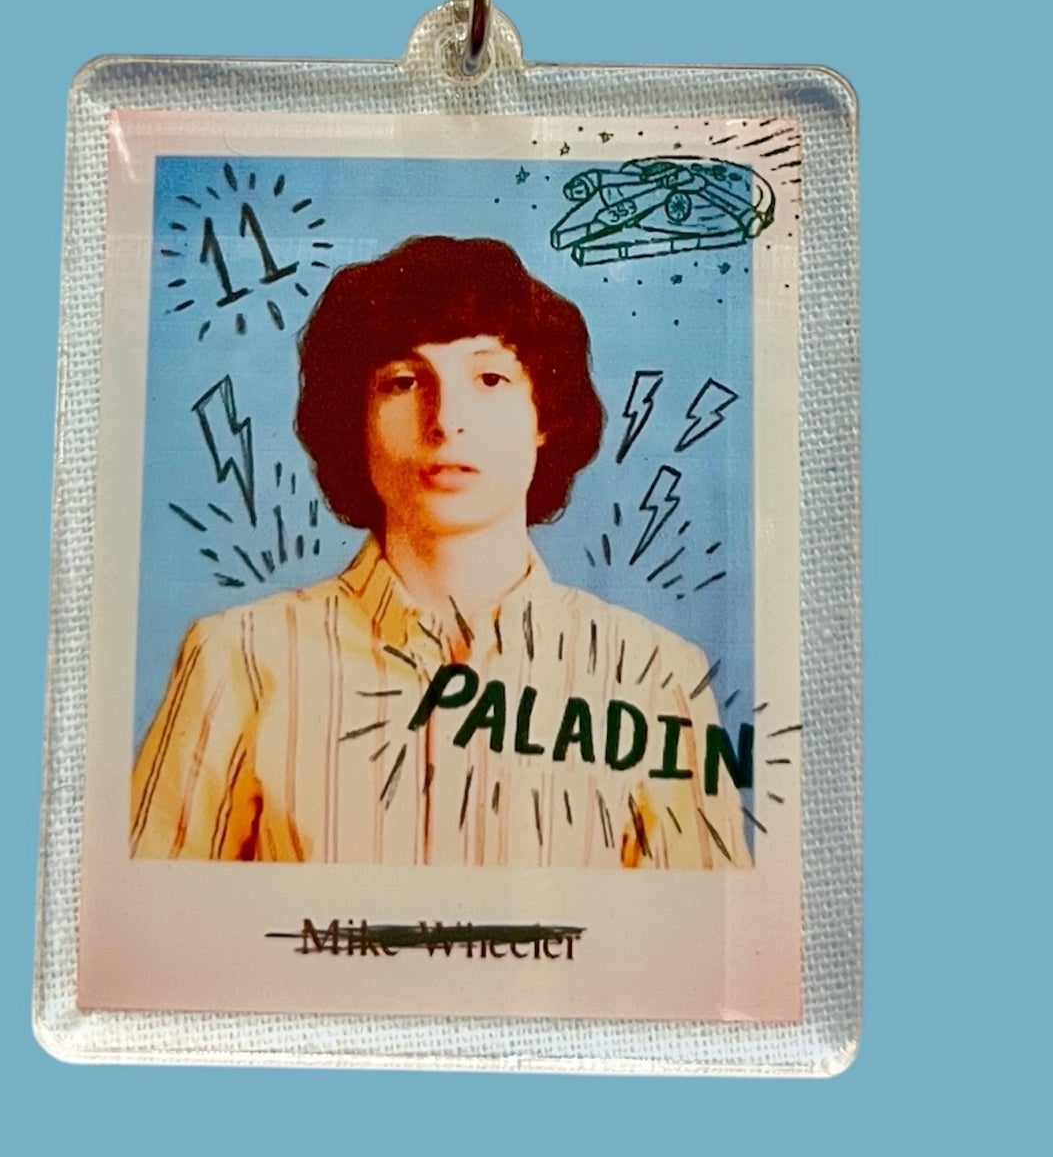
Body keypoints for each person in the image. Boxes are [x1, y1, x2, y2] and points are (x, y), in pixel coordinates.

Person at [130, 235, 750, 867]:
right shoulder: (238, 658)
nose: (446, 419)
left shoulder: (653, 675)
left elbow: (695, 926)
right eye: (403, 382)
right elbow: (153, 919)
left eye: (490, 377)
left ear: (545, 415)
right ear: (354, 419)